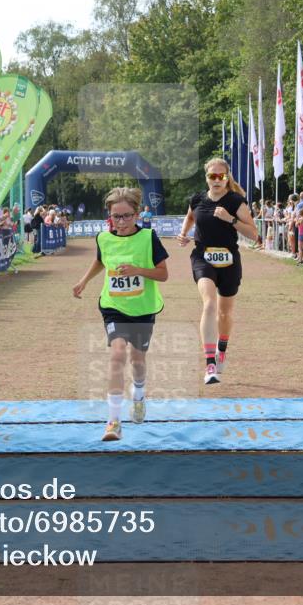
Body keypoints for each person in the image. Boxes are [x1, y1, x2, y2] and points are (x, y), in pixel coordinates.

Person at [73, 187, 169, 441]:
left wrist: (138, 270)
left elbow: (163, 274)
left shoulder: (148, 238)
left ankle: (139, 395)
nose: (122, 222)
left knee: (137, 361)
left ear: (137, 215)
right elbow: (100, 261)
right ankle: (113, 421)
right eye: (116, 216)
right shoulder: (104, 238)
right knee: (117, 355)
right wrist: (84, 281)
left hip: (143, 309)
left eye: (127, 216)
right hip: (113, 306)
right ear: (110, 216)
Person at [176, 158, 258, 385]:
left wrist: (230, 219)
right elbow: (190, 216)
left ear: (227, 177)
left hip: (229, 260)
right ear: (207, 178)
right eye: (212, 176)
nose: (216, 180)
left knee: (225, 314)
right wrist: (184, 234)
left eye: (221, 176)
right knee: (209, 304)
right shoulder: (197, 199)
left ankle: (222, 349)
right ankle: (210, 364)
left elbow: (254, 234)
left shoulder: (236, 201)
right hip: (203, 257)